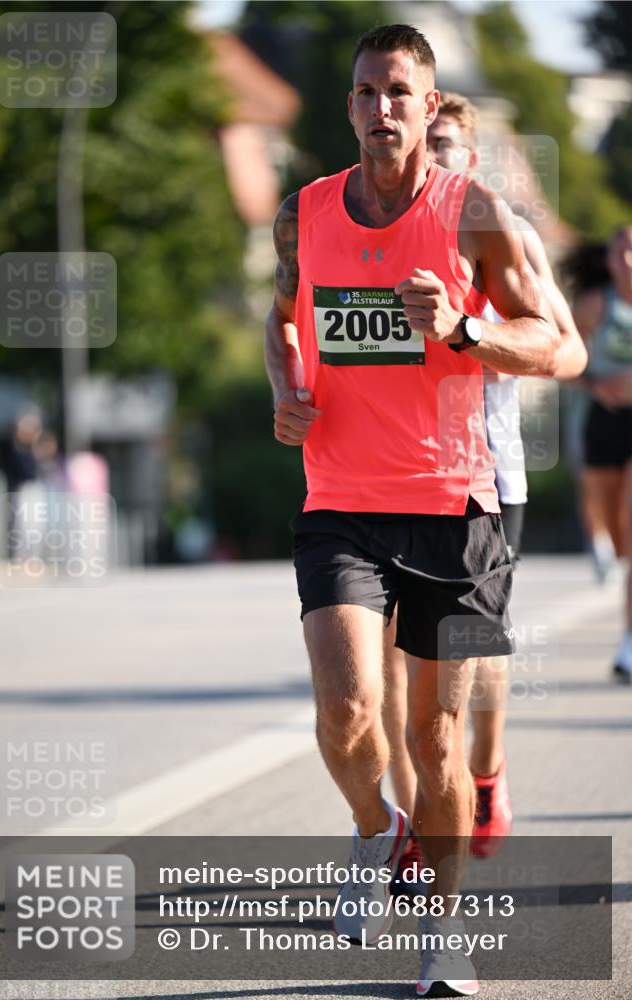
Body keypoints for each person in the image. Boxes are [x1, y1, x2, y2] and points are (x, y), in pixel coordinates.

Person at [264, 24, 559, 997]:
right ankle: (369, 826)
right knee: (347, 710)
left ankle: (441, 933)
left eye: (400, 91)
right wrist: (285, 385)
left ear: (429, 109)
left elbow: (557, 348)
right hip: (339, 497)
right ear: (346, 106)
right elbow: (280, 319)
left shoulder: (470, 212)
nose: (381, 107)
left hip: (452, 504)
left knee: (433, 740)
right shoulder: (302, 215)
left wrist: (467, 327)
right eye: (365, 91)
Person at [382, 93, 588, 878]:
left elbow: (563, 346)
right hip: (389, 473)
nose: (428, 156)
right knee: (401, 659)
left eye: (443, 144)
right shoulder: (377, 223)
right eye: (422, 144)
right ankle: (413, 827)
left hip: (486, 469)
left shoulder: (499, 229)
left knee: (468, 645)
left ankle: (487, 770)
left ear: (469, 158)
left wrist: (472, 332)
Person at [573, 225, 632, 681]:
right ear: (610, 259)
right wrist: (595, 383)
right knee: (615, 534)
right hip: (603, 421)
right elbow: (562, 355)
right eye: (622, 253)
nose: (629, 261)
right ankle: (602, 547)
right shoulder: (595, 305)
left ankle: (629, 639)